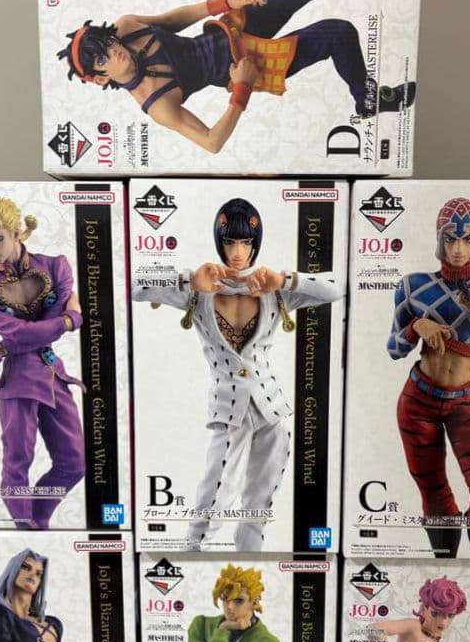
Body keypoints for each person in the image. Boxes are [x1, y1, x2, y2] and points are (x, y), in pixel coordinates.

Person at [58, 0, 416, 154]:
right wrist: (241, 88)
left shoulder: (126, 28)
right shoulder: (156, 103)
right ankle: (368, 100)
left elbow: (173, 19)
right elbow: (211, 142)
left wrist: (224, 2)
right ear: (101, 77)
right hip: (247, 64)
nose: (113, 50)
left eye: (107, 42)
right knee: (339, 33)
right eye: (103, 57)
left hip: (235, 25)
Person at [133, 196, 344, 549]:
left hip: (271, 409)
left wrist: (285, 279)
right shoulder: (199, 291)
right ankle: (192, 559)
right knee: (214, 497)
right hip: (229, 410)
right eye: (230, 242)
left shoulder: (273, 291)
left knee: (259, 504)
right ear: (219, 242)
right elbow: (133, 284)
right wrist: (188, 279)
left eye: (245, 243)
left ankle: (251, 561)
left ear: (255, 244)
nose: (237, 252)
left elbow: (336, 289)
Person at [387, 197, 470, 558]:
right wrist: (416, 326)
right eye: (450, 238)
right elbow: (394, 348)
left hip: (465, 403)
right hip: (417, 402)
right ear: (439, 239)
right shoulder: (412, 285)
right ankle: (442, 570)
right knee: (434, 495)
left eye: (467, 239)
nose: (458, 249)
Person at [0, 195, 86, 529]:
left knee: (74, 463)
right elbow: (21, 331)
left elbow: (30, 334)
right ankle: (26, 529)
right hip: (18, 381)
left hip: (53, 375)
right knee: (17, 464)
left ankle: (36, 523)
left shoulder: (56, 267)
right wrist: (68, 320)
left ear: (17, 232)